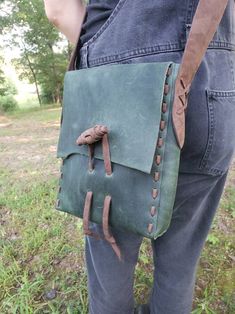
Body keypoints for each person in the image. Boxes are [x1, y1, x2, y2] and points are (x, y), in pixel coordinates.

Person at [44, 1, 235, 313]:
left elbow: (58, 10)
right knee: (180, 263)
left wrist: (103, 46)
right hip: (211, 80)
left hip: (119, 80)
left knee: (110, 262)